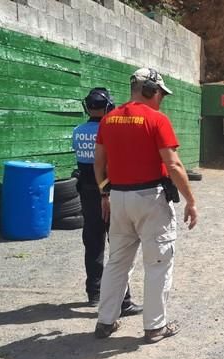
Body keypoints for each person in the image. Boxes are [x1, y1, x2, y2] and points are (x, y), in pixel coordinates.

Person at [93, 68, 199, 343]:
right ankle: (155, 327)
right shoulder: (156, 120)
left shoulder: (108, 120)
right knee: (158, 262)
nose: (161, 99)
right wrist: (191, 200)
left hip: (117, 197)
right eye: (161, 94)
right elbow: (173, 164)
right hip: (150, 199)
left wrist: (105, 194)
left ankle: (105, 322)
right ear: (151, 90)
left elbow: (99, 163)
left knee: (117, 262)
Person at [71, 88, 143, 316]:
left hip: (86, 193)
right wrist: (106, 193)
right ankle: (123, 301)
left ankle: (94, 292)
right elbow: (106, 166)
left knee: (92, 242)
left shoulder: (77, 131)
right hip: (107, 193)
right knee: (120, 245)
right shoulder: (108, 130)